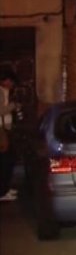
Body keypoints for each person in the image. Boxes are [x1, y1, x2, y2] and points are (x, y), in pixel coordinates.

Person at [0, 70, 21, 202]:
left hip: (5, 129)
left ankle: (5, 188)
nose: (12, 84)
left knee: (8, 158)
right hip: (1, 130)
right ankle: (2, 191)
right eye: (11, 81)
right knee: (6, 160)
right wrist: (13, 106)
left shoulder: (5, 92)